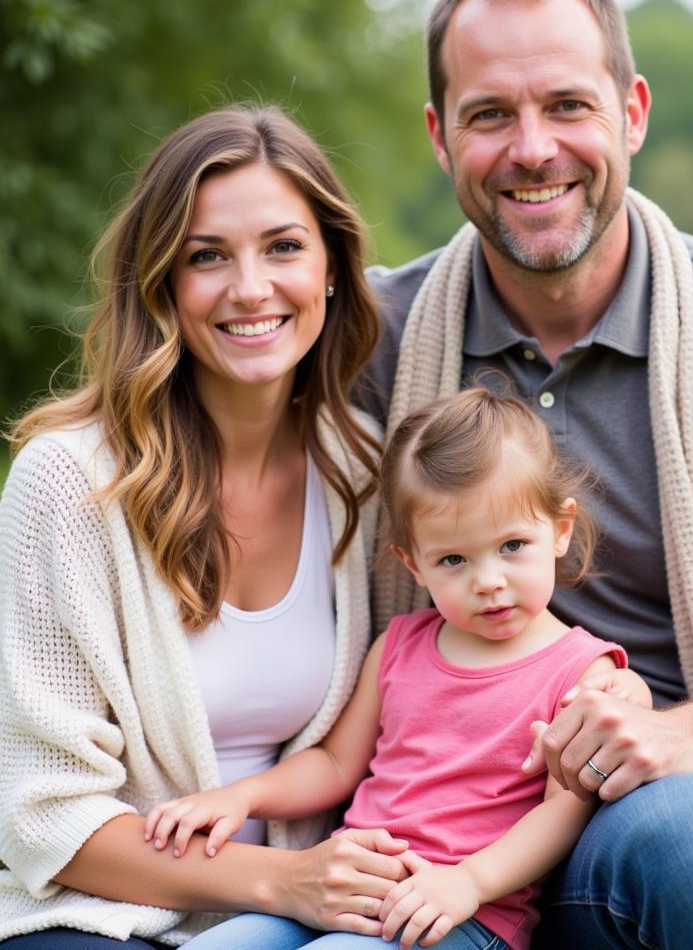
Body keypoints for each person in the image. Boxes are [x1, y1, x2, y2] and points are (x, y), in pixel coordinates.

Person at [360, 0, 693, 949]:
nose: (532, 148)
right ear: (439, 137)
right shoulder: (370, 338)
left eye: (566, 105)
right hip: (449, 831)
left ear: (632, 112)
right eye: (488, 116)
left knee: (669, 826)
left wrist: (675, 736)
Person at [0, 105, 411, 947]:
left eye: (284, 247)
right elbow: (43, 814)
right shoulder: (69, 482)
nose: (251, 288)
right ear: (160, 285)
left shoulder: (365, 472)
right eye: (207, 257)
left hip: (309, 919)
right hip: (100, 917)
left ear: (332, 268)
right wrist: (282, 882)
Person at [143, 387, 638, 950]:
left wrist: (470, 881)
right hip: (347, 895)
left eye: (512, 545)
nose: (488, 581)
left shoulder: (581, 670)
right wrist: (242, 797)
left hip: (461, 915)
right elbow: (334, 764)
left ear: (560, 530)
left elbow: (564, 813)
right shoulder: (400, 647)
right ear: (414, 564)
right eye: (454, 559)